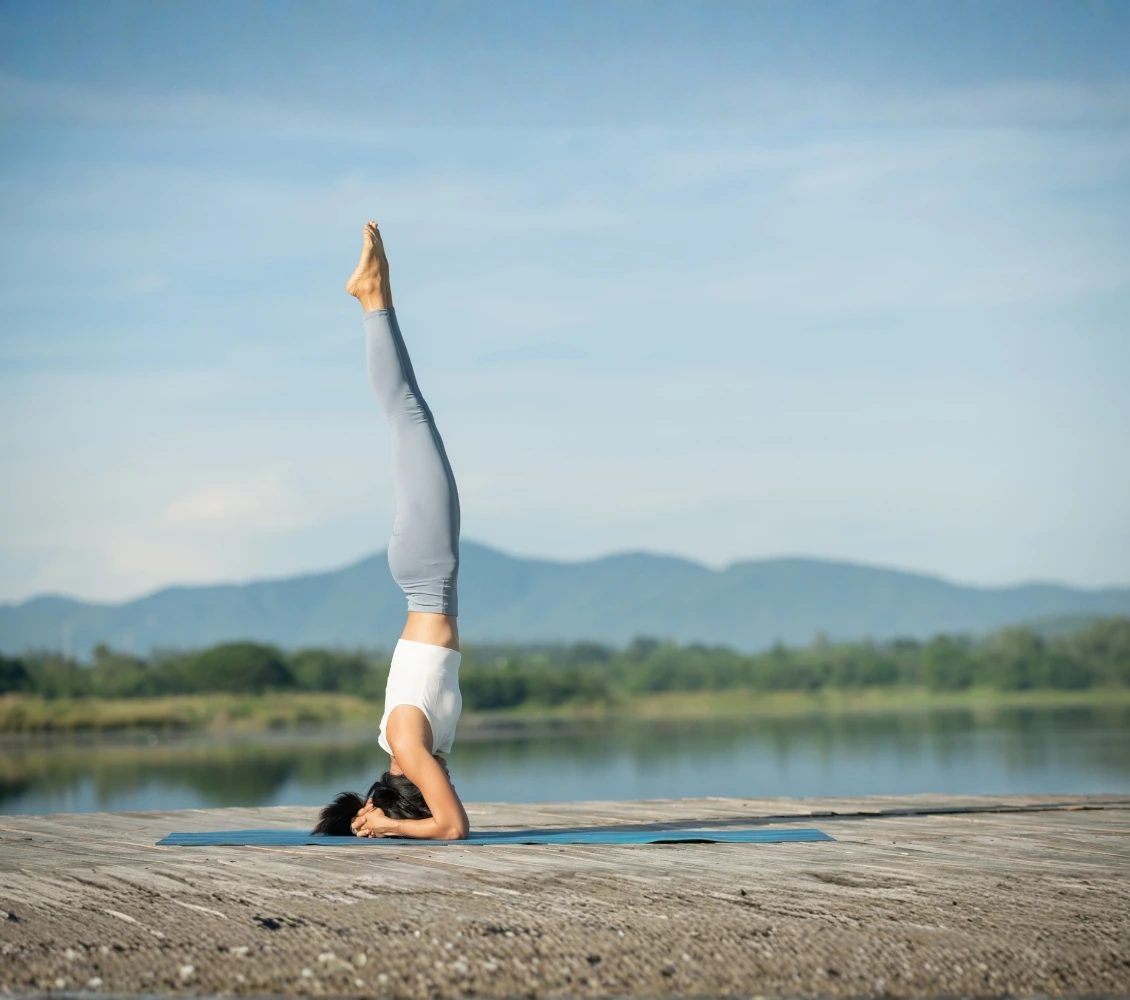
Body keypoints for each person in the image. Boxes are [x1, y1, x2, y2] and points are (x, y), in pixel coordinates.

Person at [312, 221, 469, 840]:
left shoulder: (407, 736)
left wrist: (388, 825)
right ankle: (373, 299)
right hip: (431, 577)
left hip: (428, 576)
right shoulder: (415, 740)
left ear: (408, 777)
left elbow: (453, 829)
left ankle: (372, 298)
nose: (445, 777)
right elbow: (446, 811)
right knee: (409, 419)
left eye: (431, 780)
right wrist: (381, 817)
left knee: (408, 416)